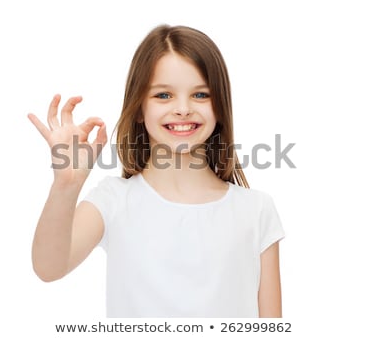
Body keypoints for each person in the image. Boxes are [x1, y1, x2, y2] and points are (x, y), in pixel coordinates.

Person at [28, 25, 285, 318]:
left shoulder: (256, 210)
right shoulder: (113, 200)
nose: (183, 109)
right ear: (139, 108)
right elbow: (48, 268)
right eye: (164, 95)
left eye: (200, 94)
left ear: (220, 106)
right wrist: (66, 185)